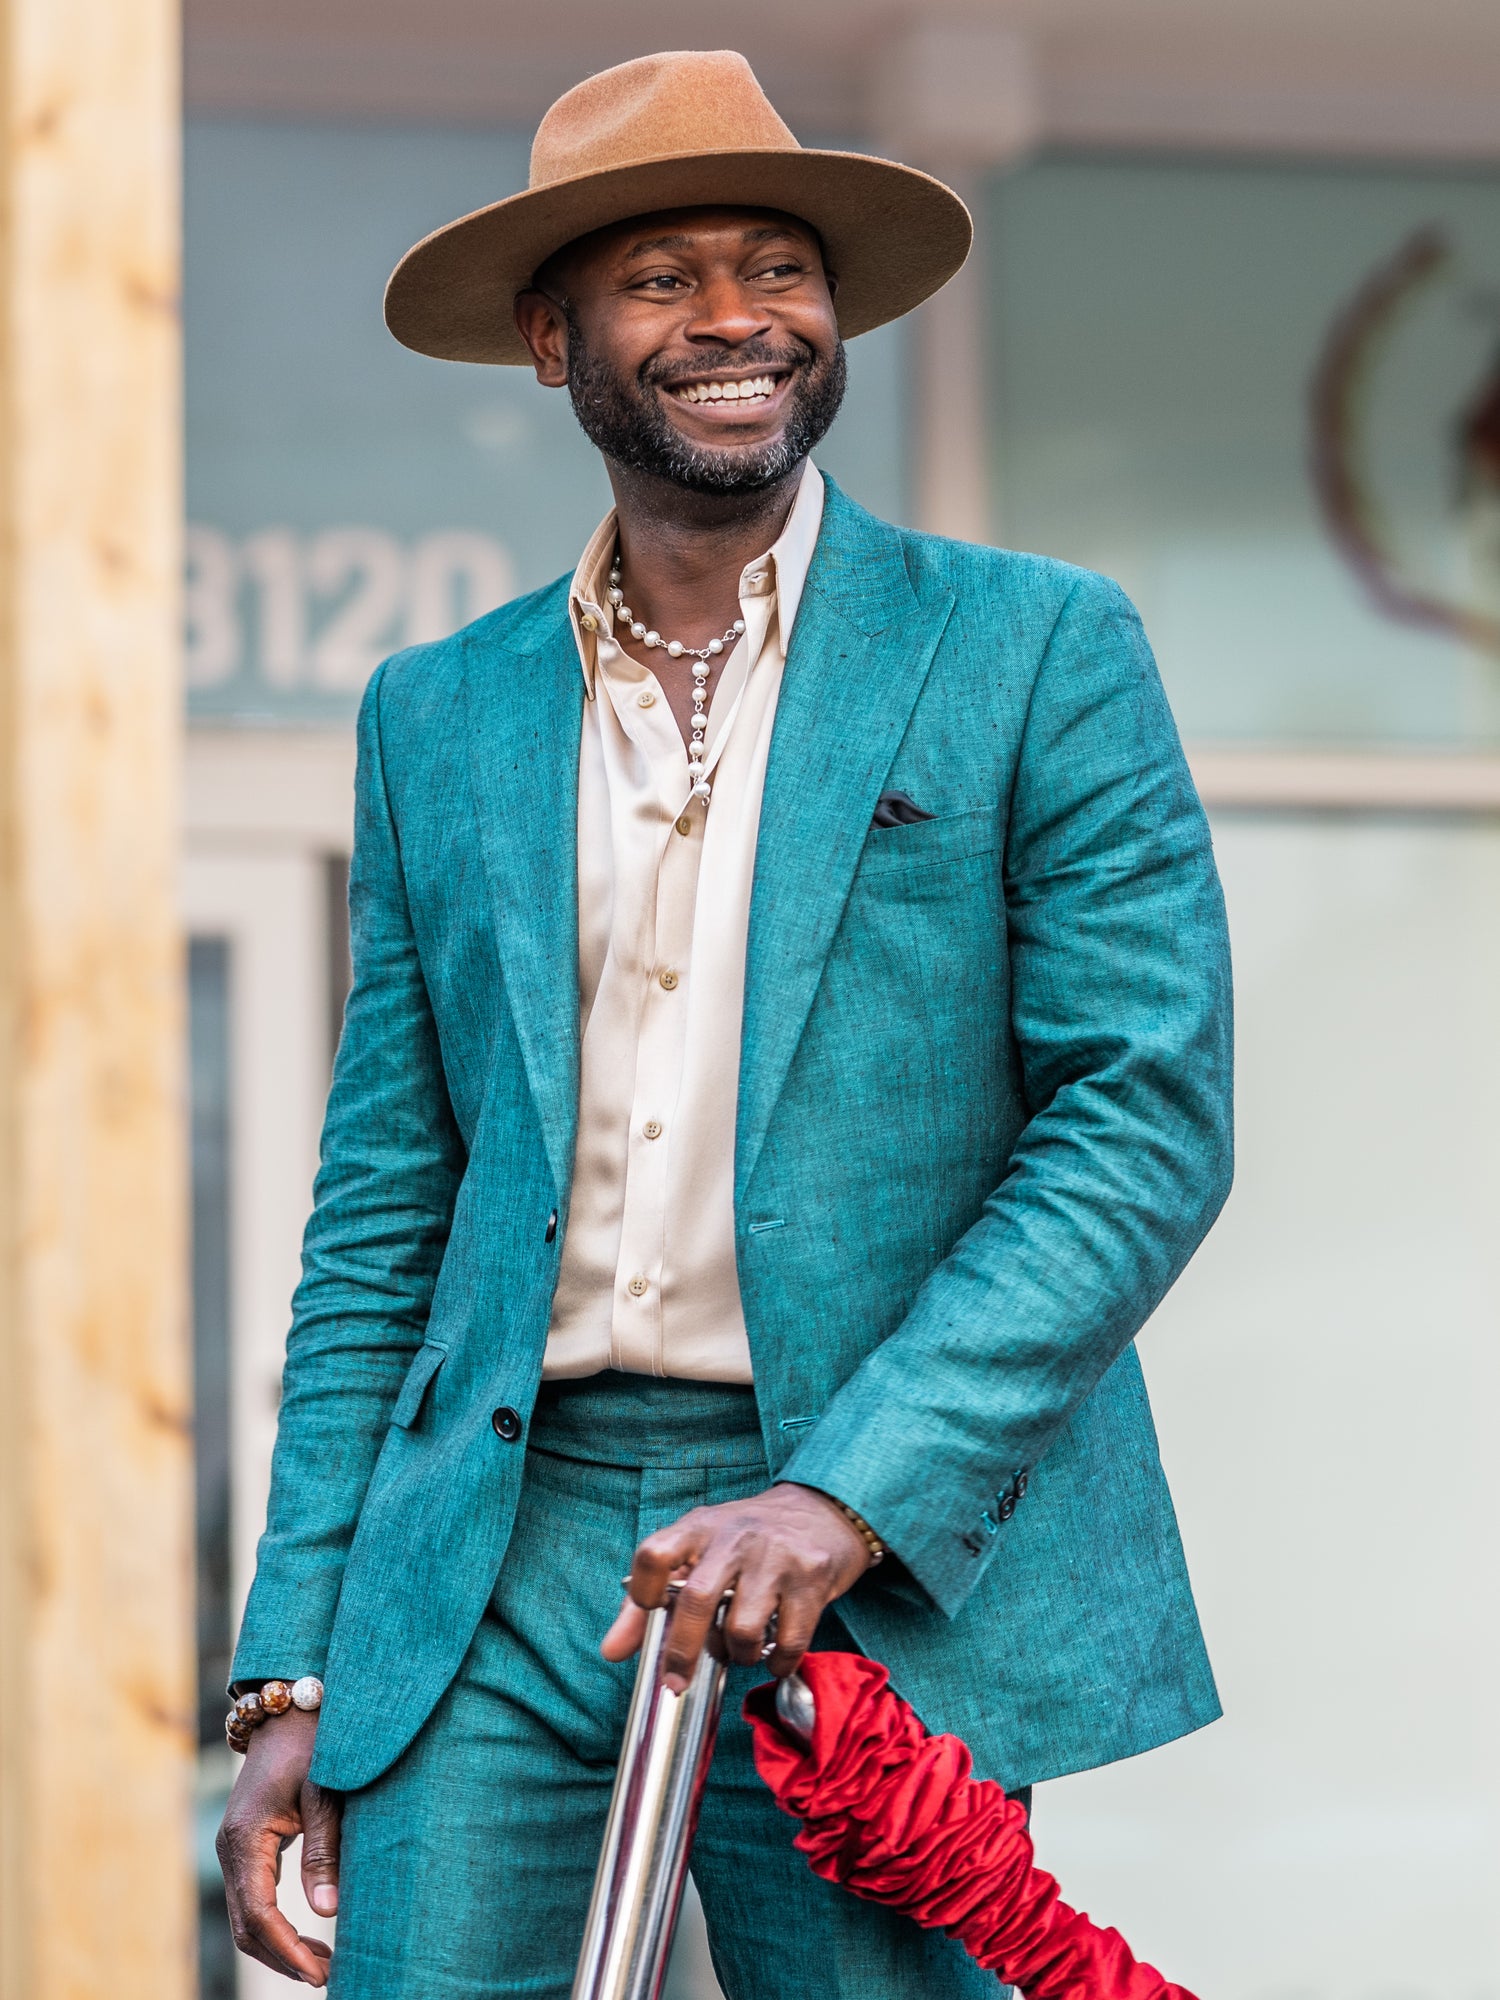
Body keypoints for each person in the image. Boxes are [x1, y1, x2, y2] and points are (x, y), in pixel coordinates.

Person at [216, 47, 1234, 2000]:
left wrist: (847, 1492)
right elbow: (383, 1217)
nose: (735, 319)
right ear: (552, 339)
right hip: (491, 1550)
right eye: (662, 276)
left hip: (867, 1525)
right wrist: (295, 1656)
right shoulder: (438, 711)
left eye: (776, 265)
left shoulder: (1032, 647)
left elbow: (1143, 1121)